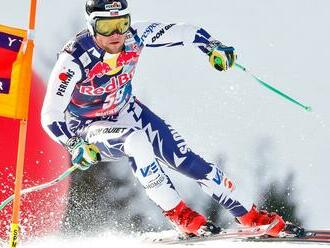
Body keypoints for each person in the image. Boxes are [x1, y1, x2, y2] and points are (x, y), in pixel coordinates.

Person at [41, 0, 286, 237]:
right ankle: (180, 214)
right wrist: (73, 144)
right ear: (92, 25)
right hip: (89, 128)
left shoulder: (134, 36)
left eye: (122, 23)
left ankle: (249, 215)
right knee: (136, 141)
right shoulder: (74, 59)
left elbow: (186, 31)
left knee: (185, 158)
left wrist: (212, 46)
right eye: (106, 26)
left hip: (127, 111)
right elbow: (50, 114)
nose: (116, 33)